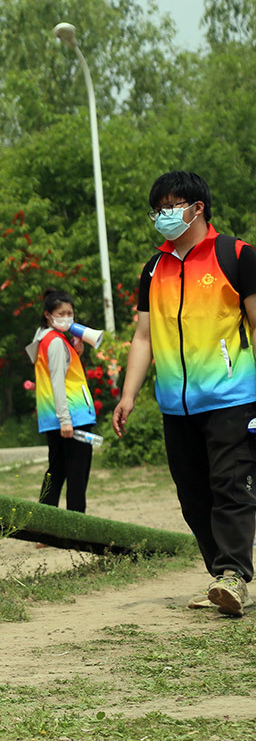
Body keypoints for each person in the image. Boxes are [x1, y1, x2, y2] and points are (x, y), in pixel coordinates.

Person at [113, 171, 256, 617]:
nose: (162, 216)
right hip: (176, 405)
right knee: (193, 495)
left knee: (230, 485)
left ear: (197, 208)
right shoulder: (154, 267)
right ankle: (221, 576)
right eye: (156, 209)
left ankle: (234, 574)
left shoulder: (237, 255)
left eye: (170, 206)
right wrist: (128, 394)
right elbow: (143, 338)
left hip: (233, 397)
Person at [25, 289, 96, 515]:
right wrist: (66, 420)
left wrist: (76, 351)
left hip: (55, 418)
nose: (67, 317)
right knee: (77, 474)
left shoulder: (44, 338)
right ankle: (75, 528)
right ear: (48, 314)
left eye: (70, 313)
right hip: (71, 418)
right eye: (61, 313)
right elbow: (58, 382)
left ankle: (45, 527)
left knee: (55, 472)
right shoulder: (55, 342)